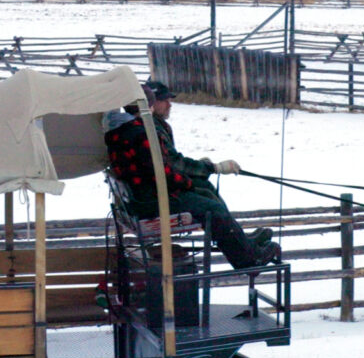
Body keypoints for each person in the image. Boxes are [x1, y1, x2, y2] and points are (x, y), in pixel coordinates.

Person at [104, 82, 280, 269]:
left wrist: (193, 179)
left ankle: (239, 240)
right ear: (148, 105)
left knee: (205, 190)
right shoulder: (141, 133)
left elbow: (158, 169)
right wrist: (188, 183)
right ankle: (247, 259)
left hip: (141, 195)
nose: (168, 104)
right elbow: (162, 174)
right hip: (150, 200)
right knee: (212, 208)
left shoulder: (122, 130)